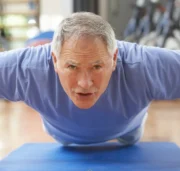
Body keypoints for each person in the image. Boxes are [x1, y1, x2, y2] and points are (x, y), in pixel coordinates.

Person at [0, 12, 180, 146]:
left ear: (114, 58)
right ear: (55, 60)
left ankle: (130, 132)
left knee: (130, 138)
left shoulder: (142, 65)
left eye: (97, 66)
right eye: (72, 66)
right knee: (65, 140)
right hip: (62, 132)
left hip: (128, 128)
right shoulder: (28, 68)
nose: (84, 83)